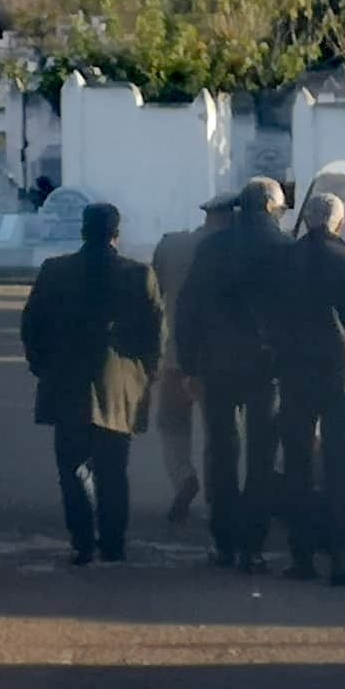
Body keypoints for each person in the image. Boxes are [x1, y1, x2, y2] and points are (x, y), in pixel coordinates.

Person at [20, 203, 164, 566]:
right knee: (113, 470)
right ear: (117, 233)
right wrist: (147, 375)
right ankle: (113, 543)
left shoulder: (55, 271)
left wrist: (42, 366)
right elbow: (154, 336)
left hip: (65, 380)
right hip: (120, 387)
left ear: (83, 231)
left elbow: (32, 326)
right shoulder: (139, 275)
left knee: (72, 467)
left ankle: (82, 541)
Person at [176, 177, 292, 572]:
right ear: (273, 208)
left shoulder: (212, 247)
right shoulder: (285, 249)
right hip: (269, 367)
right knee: (262, 456)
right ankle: (253, 545)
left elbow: (188, 308)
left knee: (221, 452)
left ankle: (224, 541)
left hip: (218, 363)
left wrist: (189, 364)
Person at [274, 194, 345, 586]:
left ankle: (301, 556)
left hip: (293, 372)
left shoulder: (284, 260)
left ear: (306, 220)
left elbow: (266, 314)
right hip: (344, 373)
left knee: (298, 464)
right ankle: (341, 560)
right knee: (340, 464)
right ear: (339, 224)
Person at [151, 192, 239, 523]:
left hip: (176, 353)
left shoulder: (172, 245)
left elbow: (154, 294)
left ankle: (183, 477)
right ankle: (218, 496)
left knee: (172, 423)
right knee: (219, 431)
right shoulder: (235, 251)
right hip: (222, 360)